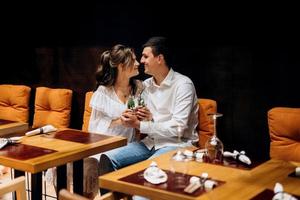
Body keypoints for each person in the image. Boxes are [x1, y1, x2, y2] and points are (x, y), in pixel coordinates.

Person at [99, 37, 199, 194]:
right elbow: (142, 116)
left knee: (148, 172)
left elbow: (177, 128)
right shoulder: (145, 86)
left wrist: (140, 124)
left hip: (177, 144)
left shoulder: (183, 85)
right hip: (149, 143)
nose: (141, 60)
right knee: (107, 158)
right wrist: (134, 116)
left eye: (146, 56)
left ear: (160, 58)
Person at [83, 44, 152, 198]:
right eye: (133, 60)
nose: (137, 63)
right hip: (103, 145)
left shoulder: (139, 88)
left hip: (128, 146)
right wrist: (119, 121)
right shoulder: (103, 92)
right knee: (90, 169)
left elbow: (146, 118)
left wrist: (143, 116)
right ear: (121, 66)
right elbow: (94, 128)